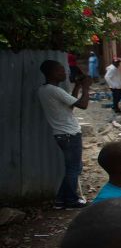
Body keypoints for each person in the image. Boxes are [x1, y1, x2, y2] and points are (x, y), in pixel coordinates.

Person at [37, 60, 91, 210]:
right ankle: (71, 201)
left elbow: (70, 105)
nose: (64, 73)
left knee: (73, 168)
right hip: (69, 134)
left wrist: (78, 86)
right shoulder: (55, 90)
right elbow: (83, 105)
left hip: (62, 135)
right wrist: (86, 88)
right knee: (74, 169)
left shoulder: (44, 90)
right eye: (60, 70)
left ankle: (60, 201)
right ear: (52, 73)